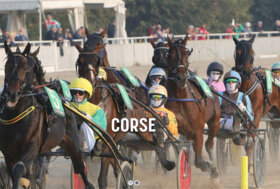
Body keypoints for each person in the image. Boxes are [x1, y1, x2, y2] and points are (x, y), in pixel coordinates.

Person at [69, 78, 107, 156]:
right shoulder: (68, 106)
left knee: (85, 123)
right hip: (71, 138)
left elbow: (101, 127)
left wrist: (88, 119)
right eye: (74, 92)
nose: (77, 95)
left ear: (86, 94)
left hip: (87, 139)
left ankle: (93, 149)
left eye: (80, 93)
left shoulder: (96, 110)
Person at [219, 70, 254, 145]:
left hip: (239, 124)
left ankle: (235, 127)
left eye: (233, 81)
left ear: (238, 84)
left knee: (237, 118)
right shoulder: (220, 95)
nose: (230, 83)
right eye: (228, 81)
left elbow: (251, 117)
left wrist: (244, 109)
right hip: (221, 123)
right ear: (225, 83)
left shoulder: (244, 97)